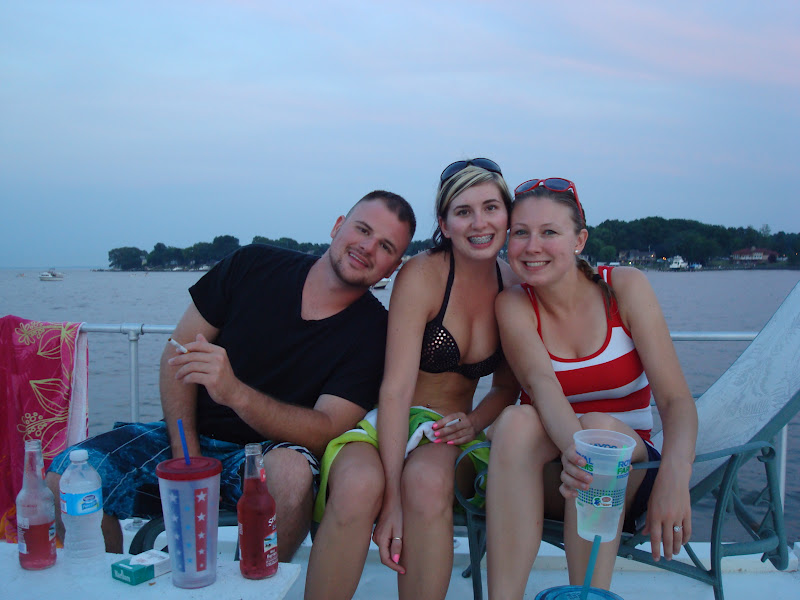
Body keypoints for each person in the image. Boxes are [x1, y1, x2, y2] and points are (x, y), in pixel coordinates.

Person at [45, 190, 416, 560]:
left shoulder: (375, 332)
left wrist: (236, 394)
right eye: (362, 229)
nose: (367, 247)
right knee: (66, 481)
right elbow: (178, 354)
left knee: (292, 473)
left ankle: (251, 582)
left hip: (274, 453)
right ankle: (106, 581)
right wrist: (187, 459)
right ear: (337, 226)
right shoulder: (252, 265)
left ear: (393, 268)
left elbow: (326, 428)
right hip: (189, 436)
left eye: (385, 246)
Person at [305, 159, 520, 600]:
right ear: (444, 223)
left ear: (507, 215)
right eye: (463, 212)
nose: (479, 223)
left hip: (451, 431)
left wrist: (475, 422)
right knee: (358, 485)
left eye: (490, 208)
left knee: (426, 481)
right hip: (386, 419)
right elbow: (395, 390)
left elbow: (505, 388)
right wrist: (391, 502)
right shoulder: (422, 275)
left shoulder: (514, 284)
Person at [486, 178, 699, 597]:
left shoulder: (624, 287)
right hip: (556, 473)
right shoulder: (513, 304)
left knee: (599, 430)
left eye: (549, 232)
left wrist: (676, 476)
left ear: (579, 240)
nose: (532, 246)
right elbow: (542, 386)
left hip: (628, 471)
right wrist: (575, 452)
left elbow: (676, 401)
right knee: (515, 422)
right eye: (521, 233)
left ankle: (589, 595)